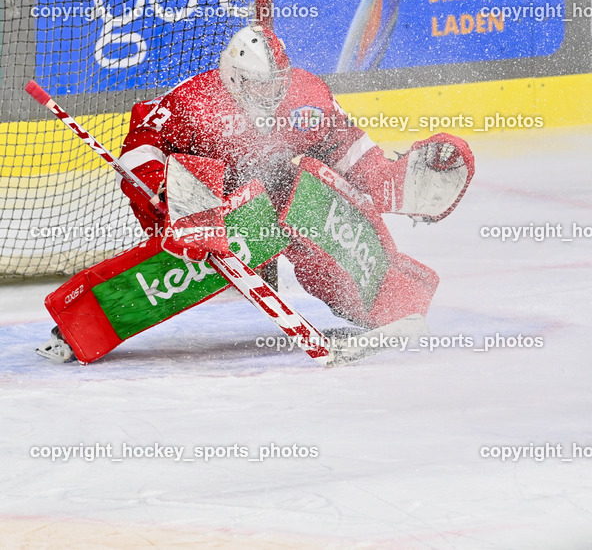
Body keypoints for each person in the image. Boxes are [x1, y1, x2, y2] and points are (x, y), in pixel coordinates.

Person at [37, 25, 474, 362]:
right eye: (259, 85)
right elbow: (137, 154)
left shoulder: (306, 96)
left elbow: (347, 150)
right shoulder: (193, 103)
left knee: (313, 200)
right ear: (233, 78)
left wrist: (392, 182)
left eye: (276, 82)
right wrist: (168, 197)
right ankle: (81, 326)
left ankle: (389, 299)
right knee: (187, 234)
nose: (272, 93)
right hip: (199, 216)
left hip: (268, 202)